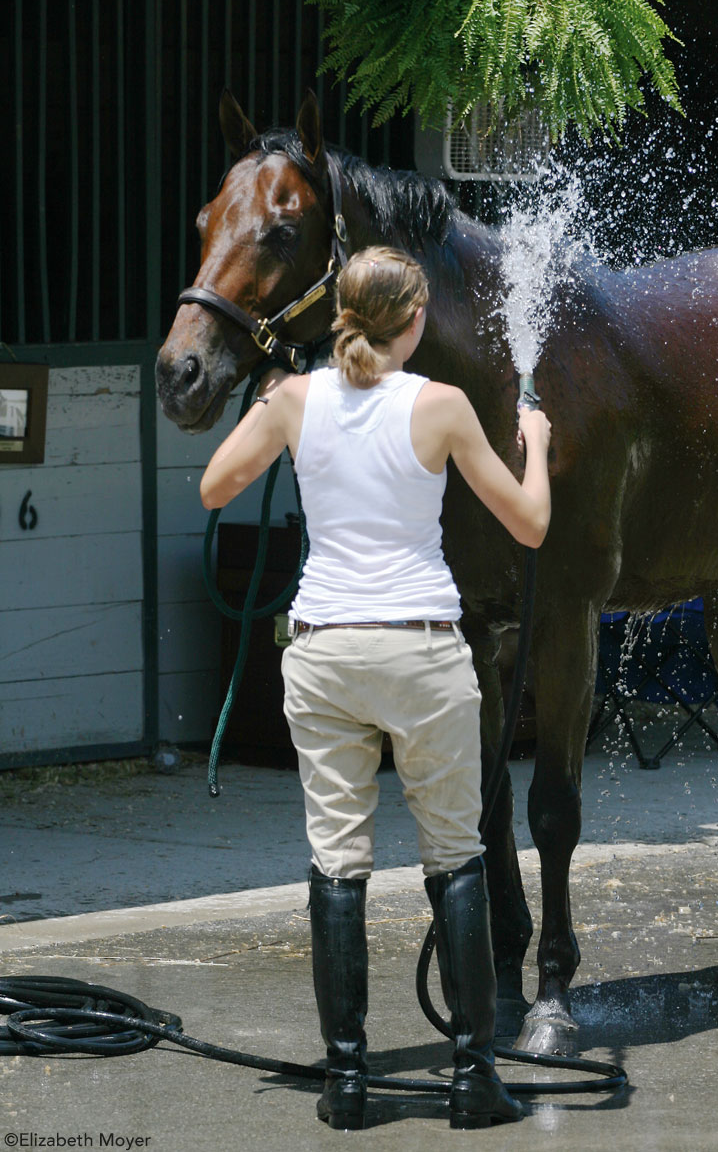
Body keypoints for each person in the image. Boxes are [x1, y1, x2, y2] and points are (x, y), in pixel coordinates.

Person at [200, 245, 552, 1131]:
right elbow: (532, 524)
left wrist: (280, 407)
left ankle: (347, 1082)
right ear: (416, 319)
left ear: (340, 313)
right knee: (454, 854)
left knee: (338, 862)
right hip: (421, 653)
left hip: (323, 652)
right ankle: (474, 1077)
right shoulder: (441, 407)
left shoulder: (292, 399)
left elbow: (213, 488)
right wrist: (538, 444)